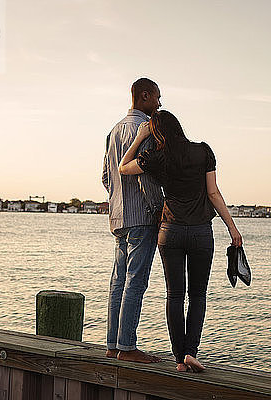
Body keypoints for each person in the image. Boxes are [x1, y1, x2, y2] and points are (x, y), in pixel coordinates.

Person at [119, 110, 242, 372]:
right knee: (197, 295)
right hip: (200, 233)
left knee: (174, 295)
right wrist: (233, 229)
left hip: (170, 231)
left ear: (157, 132)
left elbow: (123, 167)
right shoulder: (203, 151)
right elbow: (214, 193)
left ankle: (179, 360)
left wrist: (141, 136)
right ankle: (191, 352)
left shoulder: (156, 157)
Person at [101, 78, 164, 363]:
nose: (159, 104)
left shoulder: (113, 131)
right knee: (135, 282)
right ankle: (127, 348)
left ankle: (113, 345)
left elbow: (106, 176)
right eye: (157, 98)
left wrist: (117, 198)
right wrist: (158, 208)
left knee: (118, 282)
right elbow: (146, 176)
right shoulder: (146, 131)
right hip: (141, 217)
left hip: (117, 217)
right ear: (145, 96)